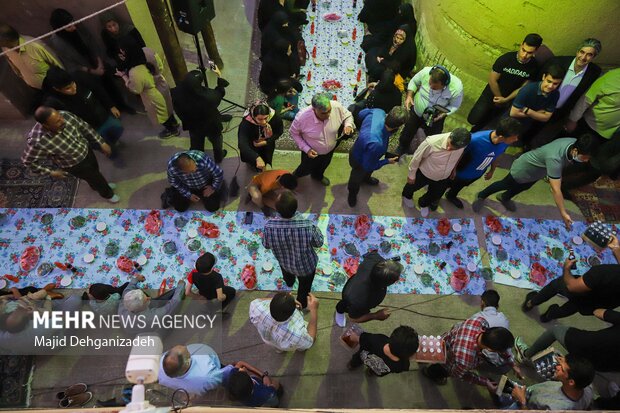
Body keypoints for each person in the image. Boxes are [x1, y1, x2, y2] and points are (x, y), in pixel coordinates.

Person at [472, 134, 599, 228]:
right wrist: (563, 213)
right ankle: (482, 195)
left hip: (537, 172)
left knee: (523, 187)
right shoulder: (555, 159)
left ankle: (504, 197)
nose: (586, 160)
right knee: (504, 184)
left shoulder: (573, 142)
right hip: (524, 168)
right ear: (576, 151)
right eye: (585, 157)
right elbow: (555, 189)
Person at [22, 107, 118, 202]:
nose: (63, 121)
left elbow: (84, 126)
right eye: (57, 122)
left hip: (86, 150)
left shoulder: (65, 115)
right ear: (46, 125)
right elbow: (27, 161)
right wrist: (50, 172)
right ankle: (107, 194)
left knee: (95, 171)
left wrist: (101, 142)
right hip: (74, 165)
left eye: (60, 117)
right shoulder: (37, 141)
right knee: (95, 177)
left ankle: (96, 186)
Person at [521, 235, 620, 322]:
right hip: (595, 305)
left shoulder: (602, 272)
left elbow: (571, 286)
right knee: (572, 308)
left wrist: (566, 268)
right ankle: (548, 316)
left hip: (582, 293)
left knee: (556, 285)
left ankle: (530, 303)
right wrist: (616, 248)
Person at [49, 9, 127, 110]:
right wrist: (93, 71)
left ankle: (122, 105)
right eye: (69, 26)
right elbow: (71, 64)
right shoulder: (58, 42)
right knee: (97, 89)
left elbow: (92, 43)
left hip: (95, 60)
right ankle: (110, 109)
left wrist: (99, 63)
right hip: (83, 70)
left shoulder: (79, 26)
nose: (74, 27)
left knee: (110, 83)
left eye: (73, 22)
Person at [528, 39, 602, 145]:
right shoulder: (558, 62)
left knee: (541, 128)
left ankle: (528, 143)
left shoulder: (594, 71)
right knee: (530, 123)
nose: (583, 57)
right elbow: (538, 80)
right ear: (577, 51)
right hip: (542, 103)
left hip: (561, 110)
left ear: (594, 57)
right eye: (582, 52)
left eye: (589, 55)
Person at [467, 33, 542, 132]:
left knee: (488, 123)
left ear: (536, 51)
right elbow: (492, 80)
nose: (524, 55)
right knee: (473, 118)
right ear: (521, 45)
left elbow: (523, 87)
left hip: (508, 100)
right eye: (523, 50)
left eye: (529, 52)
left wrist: (506, 100)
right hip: (490, 95)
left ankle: (474, 132)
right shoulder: (506, 59)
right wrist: (499, 98)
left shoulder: (534, 66)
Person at [262, 191, 323, 308]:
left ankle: (289, 285)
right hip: (306, 266)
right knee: (304, 289)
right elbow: (319, 242)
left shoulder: (269, 226)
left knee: (288, 277)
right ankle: (301, 304)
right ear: (295, 208)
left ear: (277, 210)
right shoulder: (308, 225)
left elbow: (266, 244)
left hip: (285, 263)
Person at [444, 117, 522, 209]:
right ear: (501, 137)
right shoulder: (475, 140)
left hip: (477, 173)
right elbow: (457, 154)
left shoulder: (505, 142)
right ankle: (435, 197)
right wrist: (453, 170)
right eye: (514, 137)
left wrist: (492, 170)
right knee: (445, 184)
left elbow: (497, 155)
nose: (516, 139)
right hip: (460, 173)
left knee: (459, 187)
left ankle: (451, 195)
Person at [423, 316, 521, 387]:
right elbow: (457, 374)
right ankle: (430, 372)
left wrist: (513, 364)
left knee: (431, 348)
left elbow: (502, 350)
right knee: (440, 371)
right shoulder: (466, 360)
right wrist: (485, 382)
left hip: (445, 339)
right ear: (490, 350)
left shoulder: (480, 321)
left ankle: (424, 354)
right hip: (447, 362)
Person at [516, 309, 620, 373]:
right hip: (607, 366)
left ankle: (525, 355)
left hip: (587, 345)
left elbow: (599, 312)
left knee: (555, 330)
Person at [115, 37, 180, 139]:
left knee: (161, 115)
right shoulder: (148, 50)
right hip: (162, 84)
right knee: (168, 107)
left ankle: (172, 130)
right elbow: (160, 66)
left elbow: (136, 89)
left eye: (122, 50)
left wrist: (123, 76)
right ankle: (175, 123)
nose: (121, 52)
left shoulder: (135, 72)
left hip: (153, 95)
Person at [42, 67, 124, 147]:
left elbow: (98, 90)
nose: (74, 89)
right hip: (89, 129)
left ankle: (115, 141)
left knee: (117, 130)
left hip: (102, 115)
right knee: (105, 146)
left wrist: (111, 106)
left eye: (73, 84)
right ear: (57, 89)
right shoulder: (53, 103)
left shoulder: (79, 77)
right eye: (68, 88)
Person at [347, 107, 408, 207]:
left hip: (359, 148)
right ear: (399, 126)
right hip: (359, 160)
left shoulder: (379, 112)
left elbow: (361, 113)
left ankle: (366, 178)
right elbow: (368, 166)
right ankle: (352, 194)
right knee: (356, 178)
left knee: (366, 172)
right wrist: (386, 161)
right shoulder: (377, 143)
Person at [402, 128, 471, 216]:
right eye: (449, 145)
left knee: (435, 194)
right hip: (425, 173)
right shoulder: (431, 142)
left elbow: (459, 156)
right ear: (450, 136)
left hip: (444, 176)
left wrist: (453, 169)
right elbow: (416, 158)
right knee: (411, 186)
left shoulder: (463, 145)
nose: (449, 148)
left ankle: (423, 203)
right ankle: (407, 197)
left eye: (453, 149)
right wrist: (411, 175)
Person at [291, 93, 355, 186]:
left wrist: (348, 125)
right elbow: (294, 133)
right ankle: (295, 176)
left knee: (324, 165)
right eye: (324, 113)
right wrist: (306, 149)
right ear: (314, 109)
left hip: (330, 149)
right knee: (304, 168)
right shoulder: (301, 118)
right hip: (311, 152)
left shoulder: (336, 106)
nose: (328, 115)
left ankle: (318, 176)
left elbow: (348, 116)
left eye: (329, 111)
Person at [398, 66, 464, 154]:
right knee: (408, 130)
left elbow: (454, 106)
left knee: (432, 138)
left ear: (444, 85)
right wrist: (409, 96)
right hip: (417, 111)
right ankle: (402, 147)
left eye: (435, 88)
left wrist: (444, 114)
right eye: (430, 84)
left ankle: (424, 153)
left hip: (436, 117)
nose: (431, 87)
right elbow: (414, 82)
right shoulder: (425, 72)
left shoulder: (456, 88)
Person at [172, 68, 229, 163]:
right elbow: (219, 94)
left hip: (193, 125)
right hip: (211, 124)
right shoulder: (208, 97)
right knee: (216, 139)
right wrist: (220, 84)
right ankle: (219, 156)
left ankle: (197, 159)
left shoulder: (175, 93)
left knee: (196, 143)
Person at [334, 251, 403, 327]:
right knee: (344, 304)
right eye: (396, 279)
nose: (398, 279)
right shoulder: (360, 300)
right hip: (351, 294)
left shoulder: (374, 258)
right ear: (387, 283)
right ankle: (339, 311)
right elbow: (353, 318)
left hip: (357, 282)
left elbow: (371, 253)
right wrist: (376, 315)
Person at [508, 354, 594, 410]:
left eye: (562, 369)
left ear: (571, 382)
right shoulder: (587, 387)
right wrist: (564, 362)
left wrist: (522, 401)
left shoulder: (557, 408)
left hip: (525, 405)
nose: (557, 367)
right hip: (531, 394)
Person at [508, 64, 565, 145]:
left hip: (526, 124)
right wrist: (537, 113)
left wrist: (528, 111)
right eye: (549, 81)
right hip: (511, 122)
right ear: (543, 77)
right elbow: (513, 113)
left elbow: (546, 118)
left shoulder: (555, 94)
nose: (550, 86)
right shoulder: (528, 89)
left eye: (555, 84)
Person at [249, 292, 319, 352]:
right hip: (288, 344)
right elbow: (310, 341)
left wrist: (282, 302)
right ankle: (300, 349)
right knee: (301, 344)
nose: (290, 293)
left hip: (268, 339)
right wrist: (314, 309)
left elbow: (260, 300)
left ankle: (279, 350)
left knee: (276, 346)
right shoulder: (297, 334)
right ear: (293, 311)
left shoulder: (256, 307)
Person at [0, 23, 63, 90]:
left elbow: (56, 62)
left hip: (56, 85)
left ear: (6, 40)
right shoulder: (6, 50)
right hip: (36, 87)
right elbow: (15, 68)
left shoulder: (34, 45)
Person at [566, 68, 620, 145]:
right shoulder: (613, 77)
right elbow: (586, 99)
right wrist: (572, 120)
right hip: (587, 125)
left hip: (607, 135)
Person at [119, 274, 185, 336]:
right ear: (140, 308)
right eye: (146, 300)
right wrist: (181, 285)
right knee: (175, 307)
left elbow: (129, 288)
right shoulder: (152, 317)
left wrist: (136, 279)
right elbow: (174, 302)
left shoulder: (124, 301)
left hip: (132, 329)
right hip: (151, 332)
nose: (149, 298)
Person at [347, 325, 419, 377]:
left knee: (357, 359)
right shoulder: (403, 364)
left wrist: (355, 337)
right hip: (379, 370)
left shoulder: (378, 340)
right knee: (376, 369)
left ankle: (352, 365)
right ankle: (371, 372)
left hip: (364, 356)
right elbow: (404, 367)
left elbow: (363, 338)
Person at [159, 344, 227, 397]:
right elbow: (222, 377)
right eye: (188, 352)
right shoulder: (207, 376)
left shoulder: (159, 364)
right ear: (187, 362)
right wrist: (232, 367)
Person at [238, 101, 284, 171]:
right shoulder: (246, 122)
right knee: (252, 161)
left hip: (267, 145)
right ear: (253, 116)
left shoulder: (275, 117)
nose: (264, 122)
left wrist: (266, 142)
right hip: (252, 147)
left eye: (266, 118)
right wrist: (256, 157)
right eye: (260, 119)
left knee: (265, 159)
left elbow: (279, 132)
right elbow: (242, 144)